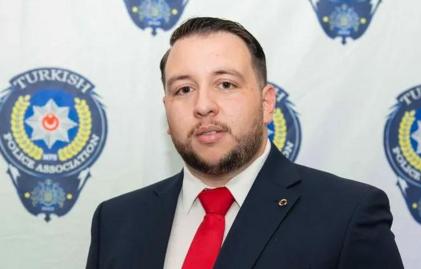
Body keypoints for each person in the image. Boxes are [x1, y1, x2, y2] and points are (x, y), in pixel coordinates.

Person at [86, 17, 404, 269]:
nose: (203, 105)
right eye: (184, 89)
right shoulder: (116, 222)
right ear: (166, 109)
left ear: (267, 104)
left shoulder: (347, 215)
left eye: (225, 84)